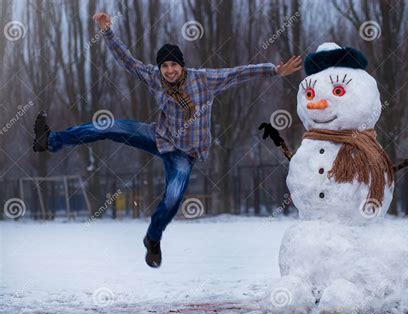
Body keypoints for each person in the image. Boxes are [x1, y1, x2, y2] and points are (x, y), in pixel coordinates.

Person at [33, 12, 302, 268]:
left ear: (181, 66)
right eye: (165, 66)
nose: (169, 70)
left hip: (184, 154)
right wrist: (107, 32)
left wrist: (275, 71)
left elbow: (238, 73)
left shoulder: (203, 80)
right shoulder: (154, 77)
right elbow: (128, 61)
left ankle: (152, 238)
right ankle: (51, 140)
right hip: (159, 136)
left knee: (173, 197)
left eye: (174, 65)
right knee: (109, 125)